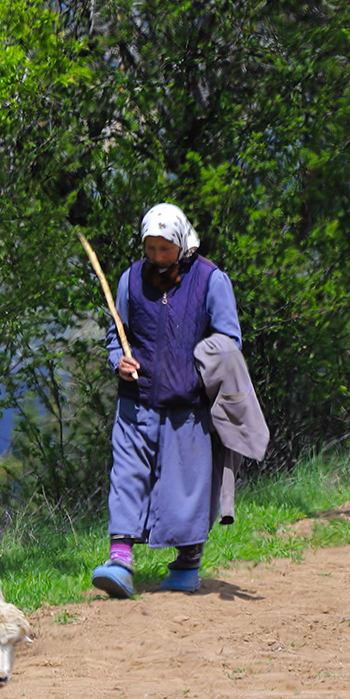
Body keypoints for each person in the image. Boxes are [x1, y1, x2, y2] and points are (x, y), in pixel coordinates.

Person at [91, 204, 241, 598]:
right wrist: (117, 361)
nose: (157, 257)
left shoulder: (211, 280)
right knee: (126, 476)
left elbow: (229, 341)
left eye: (164, 249)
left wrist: (199, 369)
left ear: (180, 242)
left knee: (186, 488)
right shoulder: (129, 281)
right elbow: (115, 334)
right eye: (150, 248)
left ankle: (188, 564)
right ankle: (120, 561)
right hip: (135, 400)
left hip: (188, 406)